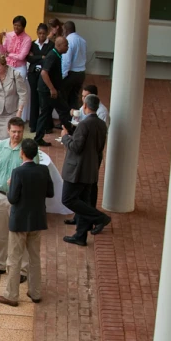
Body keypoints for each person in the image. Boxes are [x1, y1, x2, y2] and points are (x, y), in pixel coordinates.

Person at [0, 139, 53, 307]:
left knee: (15, 258)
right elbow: (50, 192)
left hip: (20, 220)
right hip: (37, 219)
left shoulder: (18, 172)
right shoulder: (43, 170)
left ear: (22, 153)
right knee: (35, 257)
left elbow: (13, 198)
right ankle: (35, 292)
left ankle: (12, 295)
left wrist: (10, 185)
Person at [0, 117, 39, 281]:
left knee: (19, 236)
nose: (16, 135)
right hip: (0, 195)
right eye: (14, 131)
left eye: (19, 131)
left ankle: (22, 270)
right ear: (8, 130)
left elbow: (33, 174)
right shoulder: (0, 147)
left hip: (19, 201)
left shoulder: (28, 150)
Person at [61, 94, 110, 246]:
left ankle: (100, 217)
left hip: (77, 170)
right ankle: (80, 236)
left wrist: (65, 137)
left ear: (86, 106)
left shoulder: (84, 124)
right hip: (91, 169)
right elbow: (99, 149)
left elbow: (76, 147)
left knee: (68, 199)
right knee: (83, 202)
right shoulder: (102, 124)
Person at [36, 36, 69, 147]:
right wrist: (52, 89)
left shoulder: (56, 55)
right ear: (59, 46)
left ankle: (38, 138)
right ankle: (70, 135)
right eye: (66, 45)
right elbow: (44, 73)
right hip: (48, 91)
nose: (67, 47)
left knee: (45, 113)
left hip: (46, 90)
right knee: (64, 110)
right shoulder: (52, 56)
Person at [0, 53, 27, 139]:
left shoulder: (15, 75)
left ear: (4, 65)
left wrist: (19, 111)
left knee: (8, 138)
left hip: (11, 113)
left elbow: (23, 94)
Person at [26, 23, 53, 133]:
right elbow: (28, 58)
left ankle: (46, 125)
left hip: (44, 74)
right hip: (33, 73)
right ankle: (33, 125)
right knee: (34, 98)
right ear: (37, 33)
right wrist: (41, 57)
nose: (42, 35)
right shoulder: (32, 44)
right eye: (40, 33)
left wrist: (36, 57)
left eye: (44, 33)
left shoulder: (51, 45)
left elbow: (48, 59)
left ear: (47, 33)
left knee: (44, 99)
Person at [61, 21, 87, 113]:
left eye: (63, 30)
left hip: (71, 73)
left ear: (66, 30)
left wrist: (62, 75)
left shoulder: (68, 40)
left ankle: (66, 121)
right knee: (74, 98)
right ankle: (74, 120)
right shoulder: (82, 40)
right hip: (81, 73)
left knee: (65, 98)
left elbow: (66, 60)